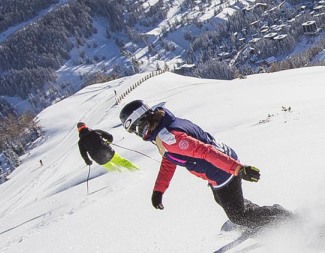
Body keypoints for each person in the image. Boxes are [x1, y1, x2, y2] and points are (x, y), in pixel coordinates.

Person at [119, 99, 292, 230]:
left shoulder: (169, 137)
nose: (138, 134)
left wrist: (238, 169)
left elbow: (205, 152)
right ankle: (263, 216)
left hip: (221, 169)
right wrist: (159, 189)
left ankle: (284, 219)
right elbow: (170, 159)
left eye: (136, 129)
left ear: (142, 120)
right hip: (222, 162)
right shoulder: (164, 126)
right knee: (223, 200)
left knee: (240, 216)